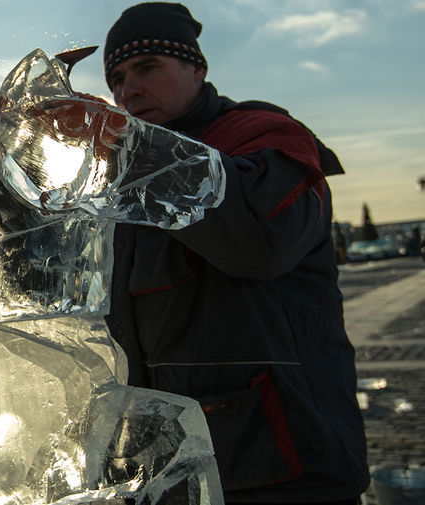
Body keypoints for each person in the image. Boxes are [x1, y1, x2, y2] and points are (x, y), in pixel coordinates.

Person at [88, 3, 369, 504]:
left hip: (285, 463)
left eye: (147, 67)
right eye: (116, 78)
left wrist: (134, 148)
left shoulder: (264, 138)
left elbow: (258, 244)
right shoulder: (122, 179)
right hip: (177, 466)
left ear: (196, 67)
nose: (127, 90)